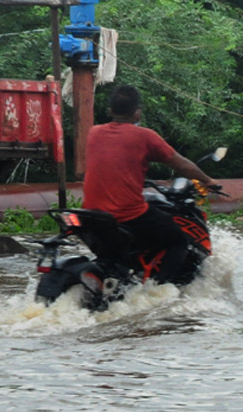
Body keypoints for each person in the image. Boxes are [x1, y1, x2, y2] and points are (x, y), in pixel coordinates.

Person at [82, 85, 218, 284]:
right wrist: (208, 180)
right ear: (137, 113)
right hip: (127, 215)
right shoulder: (145, 136)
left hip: (91, 215)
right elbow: (181, 164)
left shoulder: (93, 133)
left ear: (110, 110)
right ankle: (159, 291)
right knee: (178, 241)